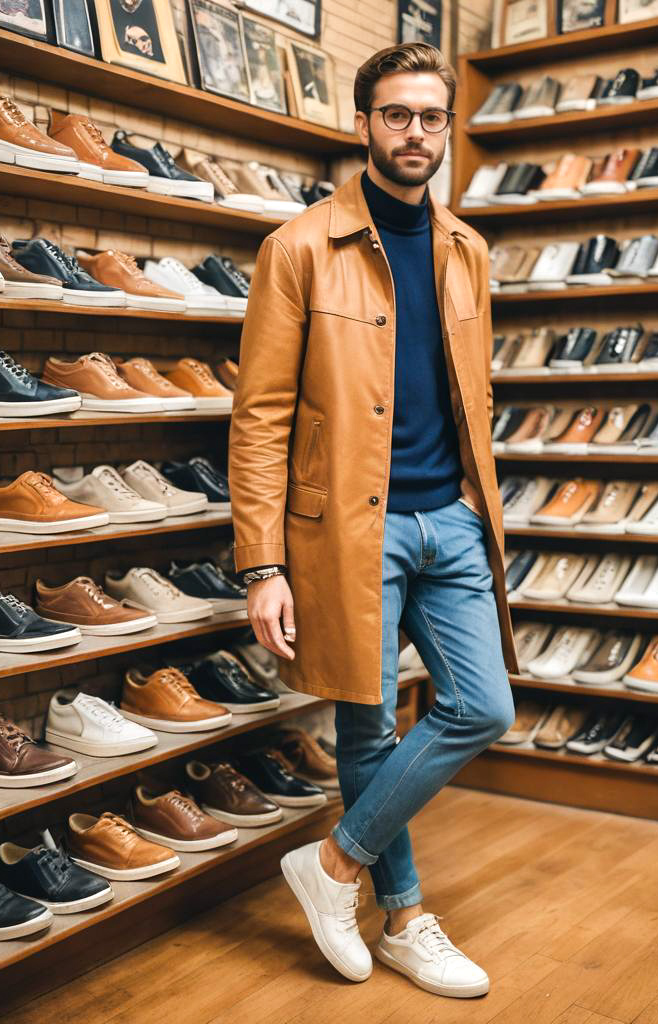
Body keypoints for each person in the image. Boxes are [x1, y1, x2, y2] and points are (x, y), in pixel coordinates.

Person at [228, 41, 519, 998]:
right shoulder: (301, 245)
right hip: (349, 528)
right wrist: (261, 563)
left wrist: (479, 509)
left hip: (452, 520)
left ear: (446, 126)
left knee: (482, 705)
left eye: (431, 117)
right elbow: (261, 413)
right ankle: (405, 917)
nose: (415, 133)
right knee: (368, 728)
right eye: (396, 114)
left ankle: (333, 865)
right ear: (363, 124)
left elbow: (469, 395)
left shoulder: (467, 250)